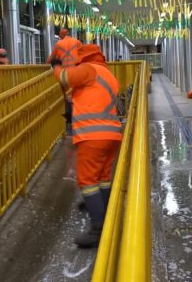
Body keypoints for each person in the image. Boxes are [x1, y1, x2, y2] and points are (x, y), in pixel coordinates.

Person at [50, 44, 122, 248]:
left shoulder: (89, 69)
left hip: (93, 136)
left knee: (87, 181)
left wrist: (56, 65)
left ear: (85, 57)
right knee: (102, 178)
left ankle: (98, 229)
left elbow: (64, 77)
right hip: (111, 134)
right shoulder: (107, 74)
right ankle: (104, 212)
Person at [47, 28, 83, 124]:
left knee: (67, 94)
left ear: (60, 36)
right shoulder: (77, 42)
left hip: (64, 72)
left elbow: (50, 59)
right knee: (77, 93)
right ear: (68, 34)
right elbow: (84, 55)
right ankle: (78, 114)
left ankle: (70, 115)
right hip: (76, 70)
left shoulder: (59, 44)